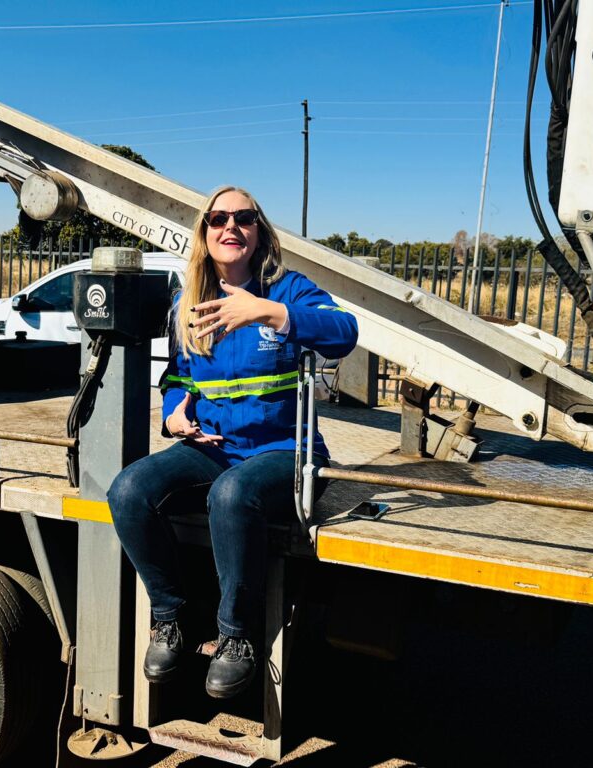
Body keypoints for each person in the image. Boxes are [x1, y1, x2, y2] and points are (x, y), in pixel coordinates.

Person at [107, 186, 358, 698]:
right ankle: (171, 618)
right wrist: (174, 412)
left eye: (244, 218)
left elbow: (344, 332)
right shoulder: (188, 302)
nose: (231, 227)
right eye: (218, 218)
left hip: (284, 450)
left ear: (259, 231)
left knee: (230, 495)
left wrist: (266, 313)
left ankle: (239, 637)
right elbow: (178, 377)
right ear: (204, 233)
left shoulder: (285, 290)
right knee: (128, 490)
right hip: (213, 446)